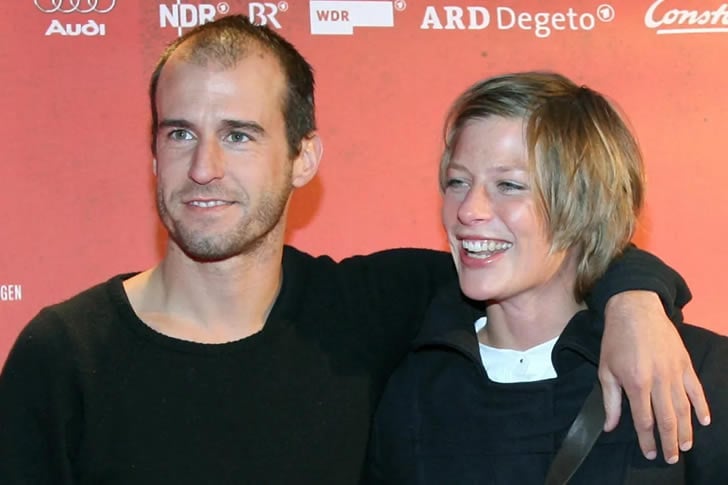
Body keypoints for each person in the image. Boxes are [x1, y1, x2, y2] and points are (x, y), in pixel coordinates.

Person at [0, 17, 709, 484]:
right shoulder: (64, 356)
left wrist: (634, 300)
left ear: (304, 157)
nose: (204, 167)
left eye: (239, 135)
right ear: (153, 154)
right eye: (179, 133)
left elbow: (538, 252)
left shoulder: (371, 309)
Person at [364, 72, 727, 484]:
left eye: (509, 185)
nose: (467, 210)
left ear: (585, 205)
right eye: (457, 181)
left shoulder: (690, 371)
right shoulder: (411, 385)